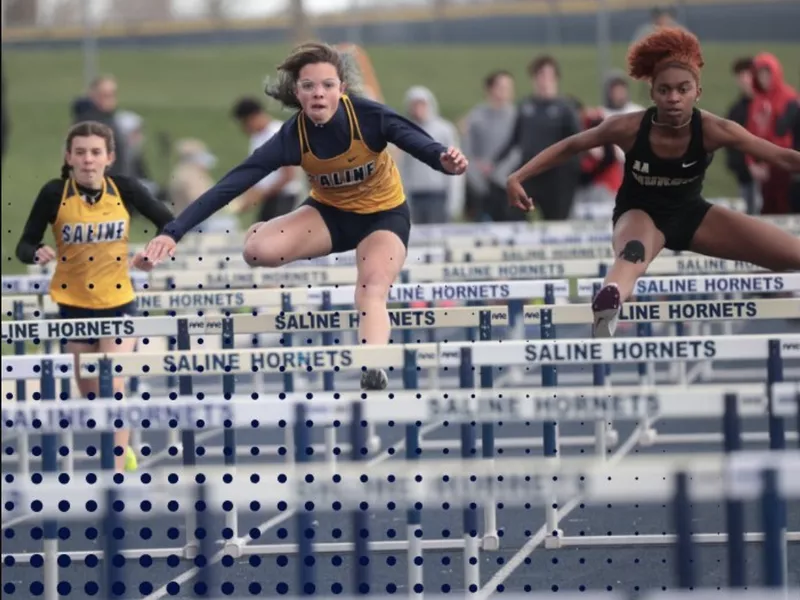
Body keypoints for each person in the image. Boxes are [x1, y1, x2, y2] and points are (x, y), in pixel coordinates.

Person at [138, 42, 467, 390]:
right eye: (309, 86)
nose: (319, 94)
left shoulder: (369, 117)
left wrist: (443, 159)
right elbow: (232, 183)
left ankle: (372, 363)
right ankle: (264, 230)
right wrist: (172, 232)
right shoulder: (292, 135)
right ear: (297, 92)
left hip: (382, 218)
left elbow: (418, 142)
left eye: (327, 85)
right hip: (330, 216)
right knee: (256, 253)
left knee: (372, 287)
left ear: (341, 89)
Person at [506, 28, 800, 339]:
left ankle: (613, 296)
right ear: (652, 94)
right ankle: (609, 301)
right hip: (640, 215)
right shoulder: (630, 127)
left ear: (697, 93)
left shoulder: (715, 129)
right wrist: (518, 176)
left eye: (682, 90)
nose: (673, 98)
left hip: (692, 215)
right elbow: (571, 145)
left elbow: (782, 157)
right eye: (664, 90)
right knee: (633, 254)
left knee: (792, 252)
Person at [15, 121, 175, 472]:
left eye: (96, 153)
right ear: (69, 157)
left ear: (109, 157)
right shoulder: (53, 193)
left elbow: (170, 223)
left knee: (111, 386)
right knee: (90, 396)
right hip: (73, 306)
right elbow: (24, 244)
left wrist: (151, 254)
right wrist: (36, 252)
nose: (88, 160)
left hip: (118, 302)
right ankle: (121, 449)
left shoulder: (126, 189)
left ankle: (115, 469)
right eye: (81, 152)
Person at [494, 55, 581, 222]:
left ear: (556, 79)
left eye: (548, 76)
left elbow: (578, 141)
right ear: (534, 78)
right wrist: (495, 162)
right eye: (540, 75)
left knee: (557, 220)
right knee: (512, 212)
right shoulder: (526, 106)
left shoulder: (565, 108)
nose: (544, 81)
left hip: (557, 175)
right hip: (530, 171)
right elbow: (514, 139)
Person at [230, 97, 301, 223]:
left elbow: (288, 175)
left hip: (283, 197)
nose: (245, 129)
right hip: (268, 197)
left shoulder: (278, 132)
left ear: (254, 116)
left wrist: (261, 194)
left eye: (245, 123)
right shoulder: (257, 138)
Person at [400, 86, 462, 224]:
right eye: (414, 105)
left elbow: (455, 163)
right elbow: (405, 166)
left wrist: (454, 201)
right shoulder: (406, 130)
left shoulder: (445, 129)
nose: (418, 109)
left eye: (421, 104)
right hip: (415, 195)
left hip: (438, 195)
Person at [746, 53, 798, 215]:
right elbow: (749, 134)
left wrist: (768, 161)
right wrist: (751, 163)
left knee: (784, 208)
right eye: (760, 75)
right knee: (767, 209)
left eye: (767, 74)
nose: (764, 79)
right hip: (763, 167)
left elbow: (786, 135)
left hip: (783, 166)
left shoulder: (789, 98)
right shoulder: (757, 101)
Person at [461, 70, 517, 222]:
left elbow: (519, 150)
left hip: (510, 188)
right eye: (501, 87)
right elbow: (466, 152)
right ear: (490, 89)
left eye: (509, 87)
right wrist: (478, 176)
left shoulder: (517, 118)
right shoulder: (475, 117)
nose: (506, 92)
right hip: (480, 190)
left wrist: (499, 174)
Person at [725, 57, 759, 215]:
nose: (745, 80)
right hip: (746, 179)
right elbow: (731, 146)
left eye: (749, 75)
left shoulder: (772, 106)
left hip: (774, 179)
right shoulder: (736, 111)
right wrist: (747, 168)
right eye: (741, 76)